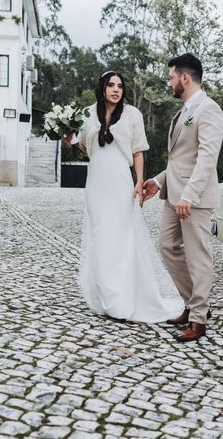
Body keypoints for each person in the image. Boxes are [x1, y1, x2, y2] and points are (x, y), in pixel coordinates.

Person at [78, 71, 183, 322]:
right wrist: (65, 135)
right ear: (102, 88)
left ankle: (122, 300)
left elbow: (138, 152)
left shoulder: (132, 115)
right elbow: (84, 147)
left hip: (120, 180)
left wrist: (139, 181)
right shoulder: (88, 114)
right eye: (111, 85)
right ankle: (106, 296)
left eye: (120, 86)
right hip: (96, 181)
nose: (116, 89)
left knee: (121, 236)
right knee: (100, 235)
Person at [143, 53, 223, 342]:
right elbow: (181, 160)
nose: (169, 82)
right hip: (173, 195)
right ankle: (193, 304)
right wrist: (156, 180)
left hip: (194, 199)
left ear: (185, 78)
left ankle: (199, 319)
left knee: (198, 257)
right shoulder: (184, 111)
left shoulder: (209, 110)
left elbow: (206, 159)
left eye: (171, 77)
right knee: (167, 246)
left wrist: (189, 195)